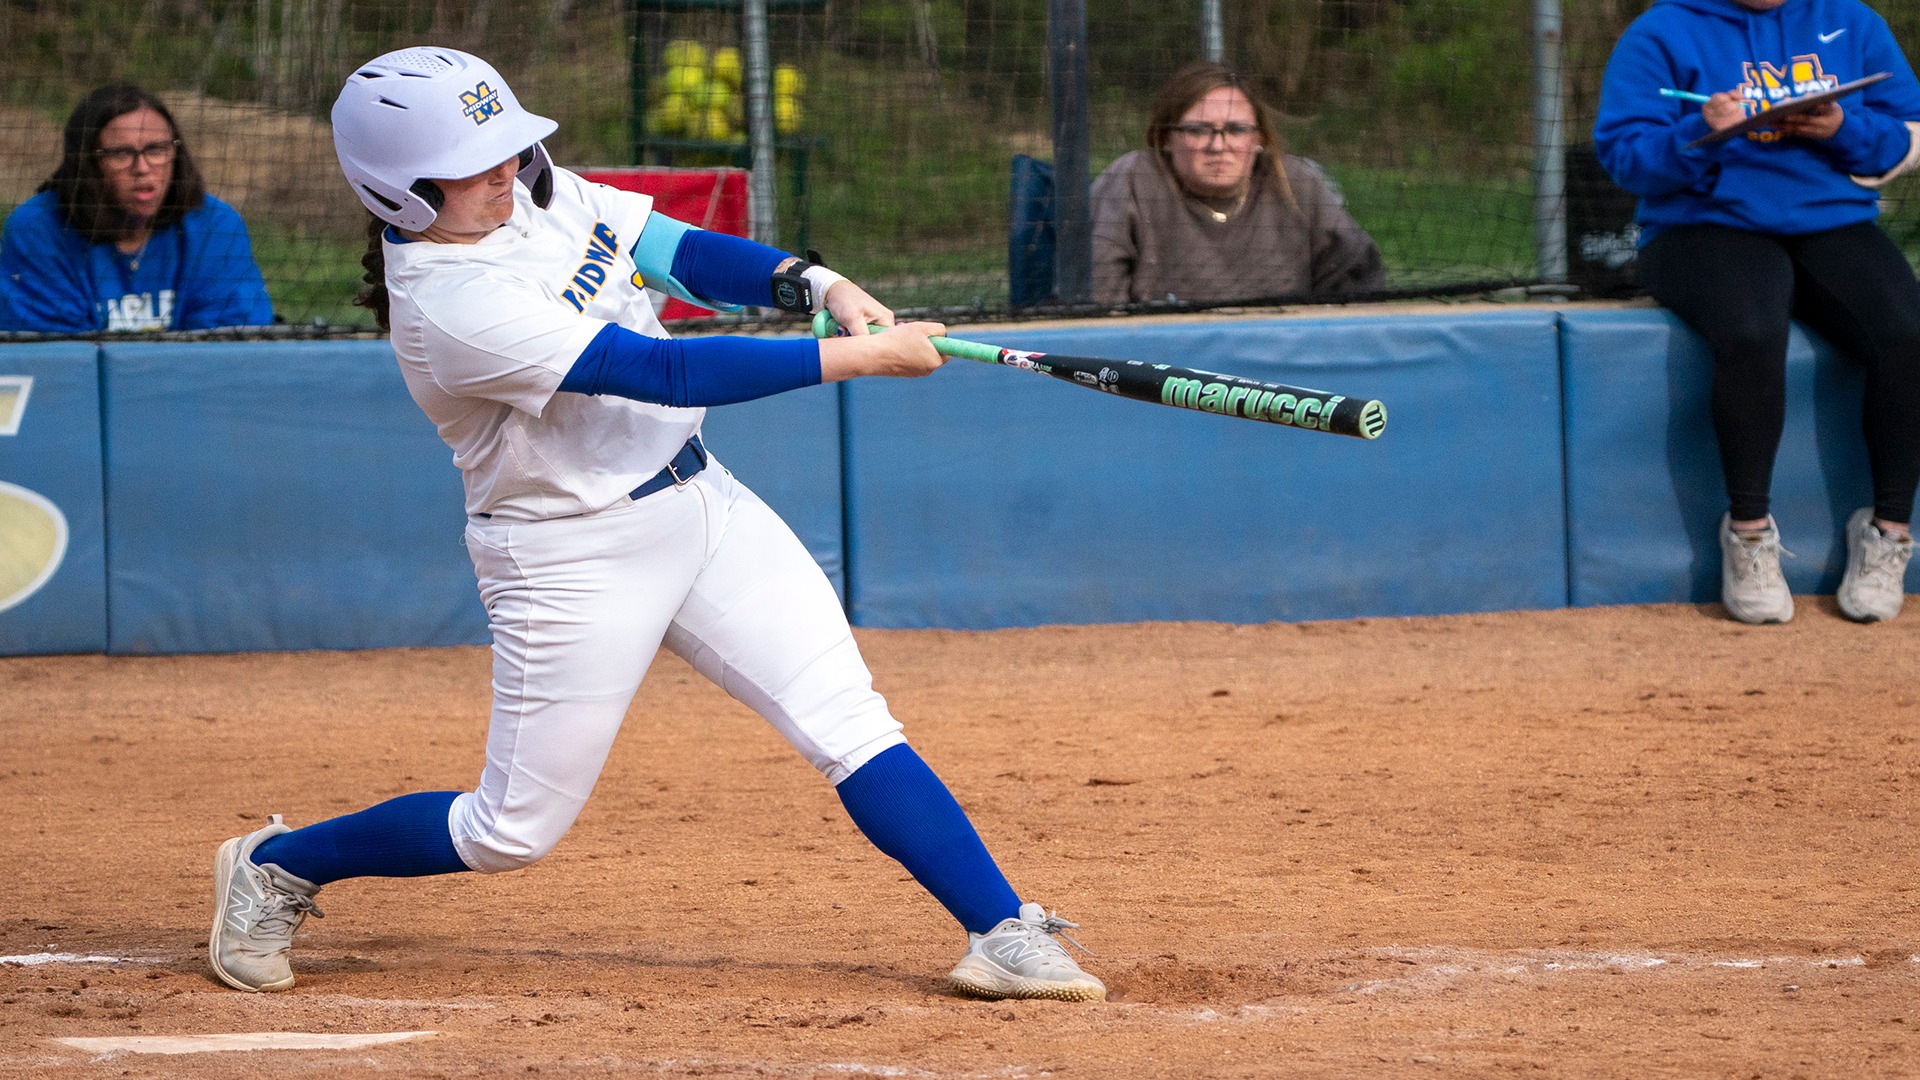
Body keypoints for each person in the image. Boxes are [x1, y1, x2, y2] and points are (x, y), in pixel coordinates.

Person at [206, 46, 1105, 1004]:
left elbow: (668, 248)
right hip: (568, 553)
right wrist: (867, 358)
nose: (506, 169)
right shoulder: (449, 306)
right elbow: (659, 371)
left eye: (507, 146)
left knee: (850, 720)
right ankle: (279, 862)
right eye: (475, 162)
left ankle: (1001, 929)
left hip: (699, 500)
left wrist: (820, 284)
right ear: (402, 193)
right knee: (509, 833)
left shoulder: (536, 191)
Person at [1593, 0, 1920, 625]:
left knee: (1908, 331)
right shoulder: (1661, 30)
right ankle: (1748, 535)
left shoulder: (1851, 20)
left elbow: (1907, 138)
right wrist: (1702, 133)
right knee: (1751, 329)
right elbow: (1623, 156)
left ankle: (1888, 534)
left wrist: (1842, 128)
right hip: (1700, 226)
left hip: (1832, 221)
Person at [1091, 61, 1385, 307]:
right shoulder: (1133, 179)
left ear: (1258, 138)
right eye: (1198, 130)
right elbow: (1099, 292)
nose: (1218, 145)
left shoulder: (1296, 184)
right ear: (1167, 137)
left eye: (1236, 130)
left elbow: (1357, 278)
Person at [0, 83, 274, 333]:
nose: (142, 169)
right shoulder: (38, 229)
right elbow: (56, 359)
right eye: (121, 154)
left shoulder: (216, 226)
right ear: (87, 163)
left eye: (156, 150)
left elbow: (229, 348)